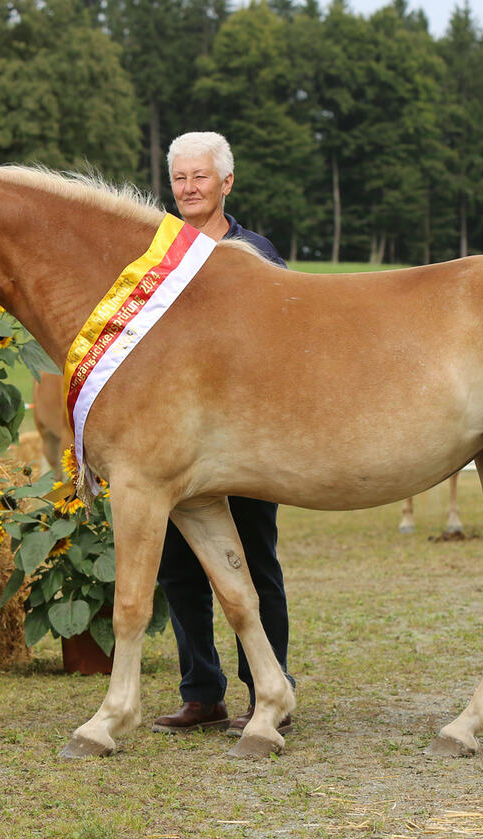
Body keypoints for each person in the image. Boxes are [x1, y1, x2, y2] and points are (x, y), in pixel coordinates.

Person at [151, 131, 295, 738]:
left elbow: (284, 343)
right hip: (178, 442)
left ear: (226, 184)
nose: (188, 187)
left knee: (256, 562)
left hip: (247, 440)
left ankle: (269, 690)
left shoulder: (254, 255)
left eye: (200, 177)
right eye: (180, 177)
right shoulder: (151, 256)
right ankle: (201, 692)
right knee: (179, 567)